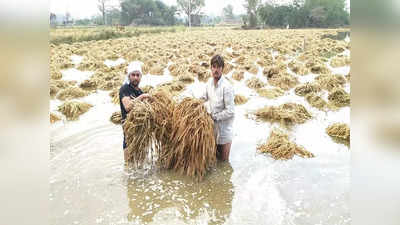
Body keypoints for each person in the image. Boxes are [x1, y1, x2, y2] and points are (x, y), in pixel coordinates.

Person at [201, 55, 235, 161]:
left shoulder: (227, 87)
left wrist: (215, 117)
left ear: (222, 69)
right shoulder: (209, 84)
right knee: (215, 162)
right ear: (211, 68)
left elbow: (230, 111)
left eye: (219, 67)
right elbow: (203, 98)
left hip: (224, 133)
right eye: (214, 67)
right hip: (213, 131)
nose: (216, 70)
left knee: (224, 163)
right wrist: (191, 103)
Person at [119, 63, 150, 162]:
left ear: (141, 77)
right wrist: (142, 98)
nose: (135, 77)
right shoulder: (125, 88)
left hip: (141, 132)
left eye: (138, 75)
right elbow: (127, 107)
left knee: (141, 162)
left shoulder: (140, 91)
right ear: (129, 76)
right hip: (129, 131)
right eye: (133, 75)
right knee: (129, 165)